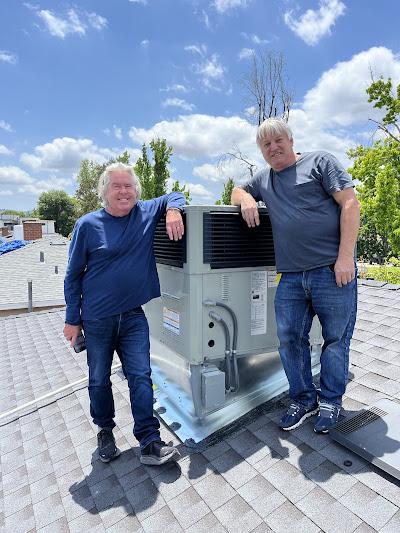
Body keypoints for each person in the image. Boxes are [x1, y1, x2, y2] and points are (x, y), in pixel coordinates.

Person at [232, 118, 360, 434]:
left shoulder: (320, 162)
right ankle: (303, 399)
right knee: (289, 340)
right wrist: (245, 197)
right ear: (261, 151)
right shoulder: (263, 178)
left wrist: (345, 257)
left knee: (335, 340)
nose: (273, 147)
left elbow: (350, 203)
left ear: (290, 140)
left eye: (278, 140)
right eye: (266, 144)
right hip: (290, 277)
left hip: (332, 271)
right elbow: (237, 190)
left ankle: (330, 401)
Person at [64, 162, 185, 464]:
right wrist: (72, 319)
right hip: (97, 318)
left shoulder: (145, 212)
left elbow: (174, 195)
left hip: (133, 316)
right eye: (116, 186)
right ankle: (105, 430)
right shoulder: (87, 225)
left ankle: (149, 441)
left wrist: (173, 210)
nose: (123, 191)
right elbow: (73, 275)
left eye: (128, 186)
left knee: (141, 376)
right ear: (104, 191)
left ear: (136, 190)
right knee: (98, 379)